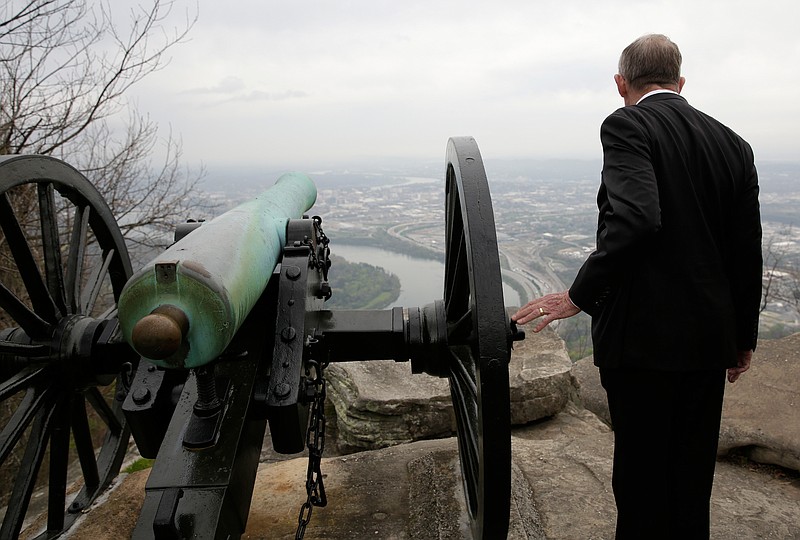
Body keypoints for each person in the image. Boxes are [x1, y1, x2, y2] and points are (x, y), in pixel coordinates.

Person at [512, 34, 762, 539]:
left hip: (642, 342)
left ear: (620, 82)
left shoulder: (626, 123)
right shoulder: (734, 143)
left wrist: (577, 296)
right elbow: (746, 251)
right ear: (681, 81)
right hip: (708, 341)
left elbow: (638, 220)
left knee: (642, 482)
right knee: (692, 482)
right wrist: (743, 338)